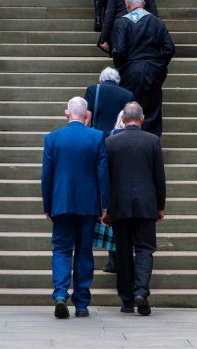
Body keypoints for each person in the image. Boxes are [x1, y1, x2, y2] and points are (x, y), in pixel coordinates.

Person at [41, 96, 109, 319]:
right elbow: (102, 175)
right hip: (88, 205)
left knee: (61, 249)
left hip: (61, 202)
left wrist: (47, 205)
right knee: (83, 251)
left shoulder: (53, 138)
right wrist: (105, 205)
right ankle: (81, 303)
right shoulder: (97, 137)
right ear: (87, 114)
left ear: (66, 113)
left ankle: (60, 294)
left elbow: (47, 176)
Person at [105, 101, 166, 316]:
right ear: (142, 119)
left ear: (123, 119)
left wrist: (106, 208)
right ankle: (141, 290)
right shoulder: (152, 141)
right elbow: (159, 177)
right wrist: (160, 206)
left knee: (122, 251)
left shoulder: (111, 143)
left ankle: (127, 300)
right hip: (146, 204)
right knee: (145, 249)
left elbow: (107, 178)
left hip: (119, 205)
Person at [83, 67, 134, 275]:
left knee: (102, 197)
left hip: (98, 145)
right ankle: (116, 257)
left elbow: (87, 116)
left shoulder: (93, 90)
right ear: (118, 80)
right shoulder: (128, 95)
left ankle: (96, 250)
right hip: (119, 147)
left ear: (101, 80)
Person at [111, 0, 175, 137]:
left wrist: (122, 67)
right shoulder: (156, 21)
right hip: (153, 71)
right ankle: (152, 144)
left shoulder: (122, 22)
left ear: (127, 5)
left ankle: (130, 144)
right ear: (144, 3)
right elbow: (169, 48)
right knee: (153, 111)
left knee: (130, 109)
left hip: (131, 71)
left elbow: (119, 51)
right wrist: (159, 65)